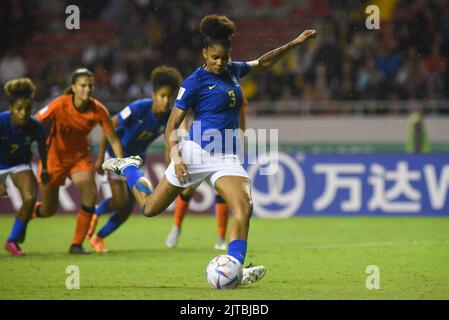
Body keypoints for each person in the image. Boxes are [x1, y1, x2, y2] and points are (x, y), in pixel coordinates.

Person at [102, 15, 316, 286]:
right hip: (194, 154)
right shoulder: (193, 83)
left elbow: (263, 62)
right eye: (215, 57)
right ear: (204, 53)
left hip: (226, 158)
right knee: (148, 209)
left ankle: (235, 269)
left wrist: (295, 43)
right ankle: (129, 168)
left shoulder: (233, 70)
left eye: (224, 57)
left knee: (244, 207)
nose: (220, 62)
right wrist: (177, 156)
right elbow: (172, 125)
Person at [87, 66, 182, 253]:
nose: (166, 101)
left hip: (136, 162)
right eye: (162, 96)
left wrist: (170, 166)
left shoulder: (168, 117)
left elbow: (168, 142)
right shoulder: (138, 108)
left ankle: (98, 238)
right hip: (116, 156)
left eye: (170, 97)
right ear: (154, 94)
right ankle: (95, 213)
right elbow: (109, 127)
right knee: (119, 201)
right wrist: (100, 158)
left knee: (128, 208)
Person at [33, 68, 124, 254]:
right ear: (73, 87)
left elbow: (113, 138)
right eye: (83, 85)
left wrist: (121, 162)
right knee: (48, 210)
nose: (88, 89)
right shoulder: (59, 104)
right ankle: (30, 212)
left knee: (90, 193)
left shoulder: (98, 109)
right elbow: (35, 122)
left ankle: (76, 244)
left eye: (91, 85)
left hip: (79, 158)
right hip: (54, 158)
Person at [166, 101, 247, 250]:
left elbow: (240, 113)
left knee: (221, 192)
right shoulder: (202, 86)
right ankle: (176, 227)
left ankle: (221, 239)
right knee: (188, 190)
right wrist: (184, 132)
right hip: (198, 147)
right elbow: (184, 111)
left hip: (222, 149)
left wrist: (241, 135)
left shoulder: (234, 88)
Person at [0, 78, 49, 256]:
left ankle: (12, 241)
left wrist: (45, 169)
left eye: (28, 109)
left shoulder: (35, 126)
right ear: (11, 108)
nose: (23, 113)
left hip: (20, 164)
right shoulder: (1, 122)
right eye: (19, 109)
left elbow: (43, 149)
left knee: (30, 199)